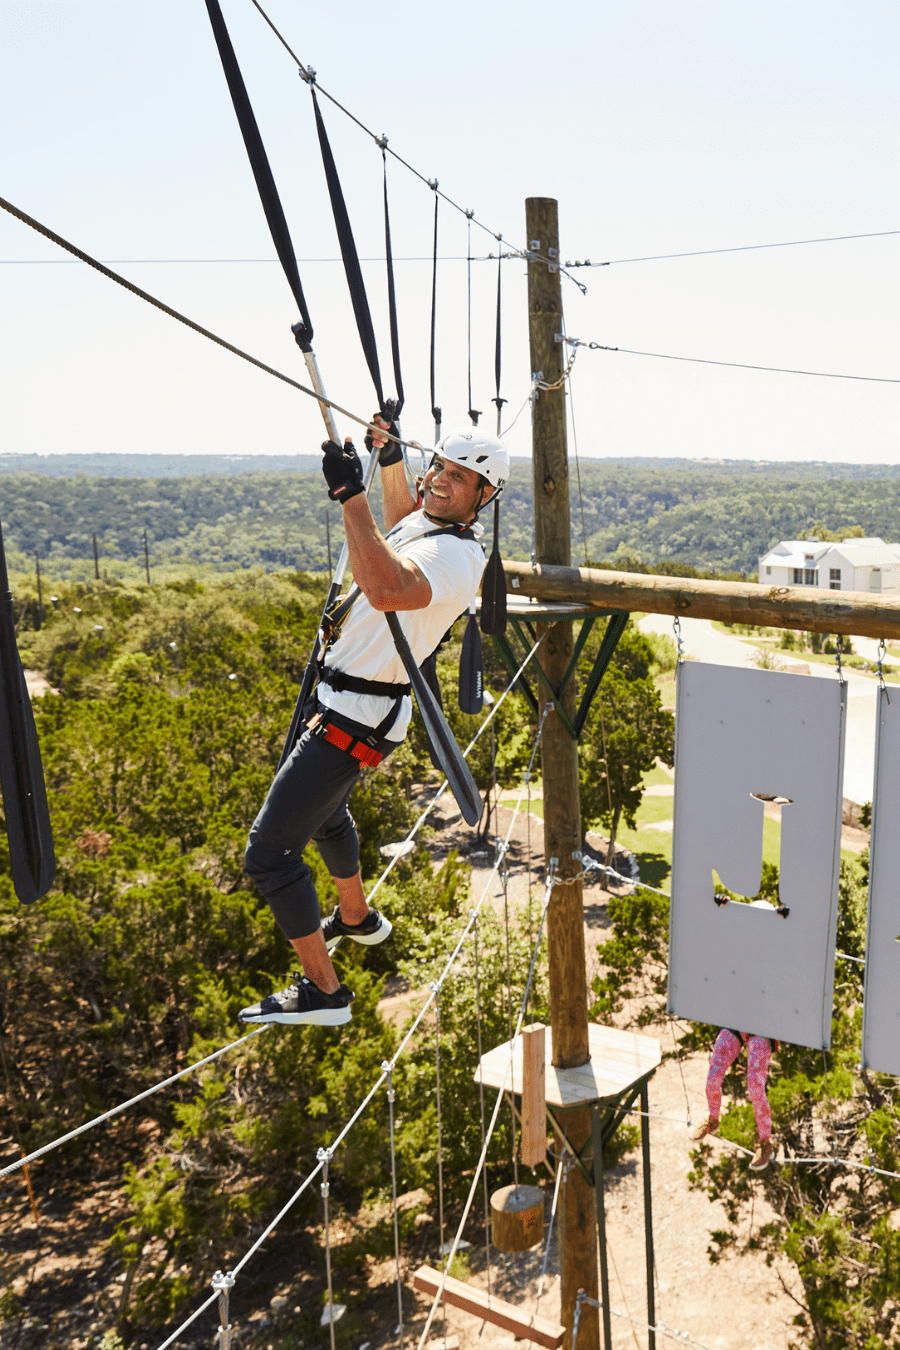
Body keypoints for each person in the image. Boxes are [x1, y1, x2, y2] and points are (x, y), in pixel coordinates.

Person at [239, 418, 508, 1027]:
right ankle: (356, 916)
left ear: (485, 495)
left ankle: (324, 993)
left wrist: (348, 495)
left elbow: (386, 587)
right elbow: (402, 520)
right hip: (345, 700)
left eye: (459, 476)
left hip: (355, 715)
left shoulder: (458, 557)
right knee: (327, 813)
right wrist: (388, 457)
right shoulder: (431, 524)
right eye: (438, 466)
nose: (439, 480)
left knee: (270, 855)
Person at [691, 1028, 777, 1171]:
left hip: (762, 1027)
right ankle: (713, 1120)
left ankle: (766, 1143)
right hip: (736, 1023)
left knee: (755, 1086)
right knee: (713, 1077)